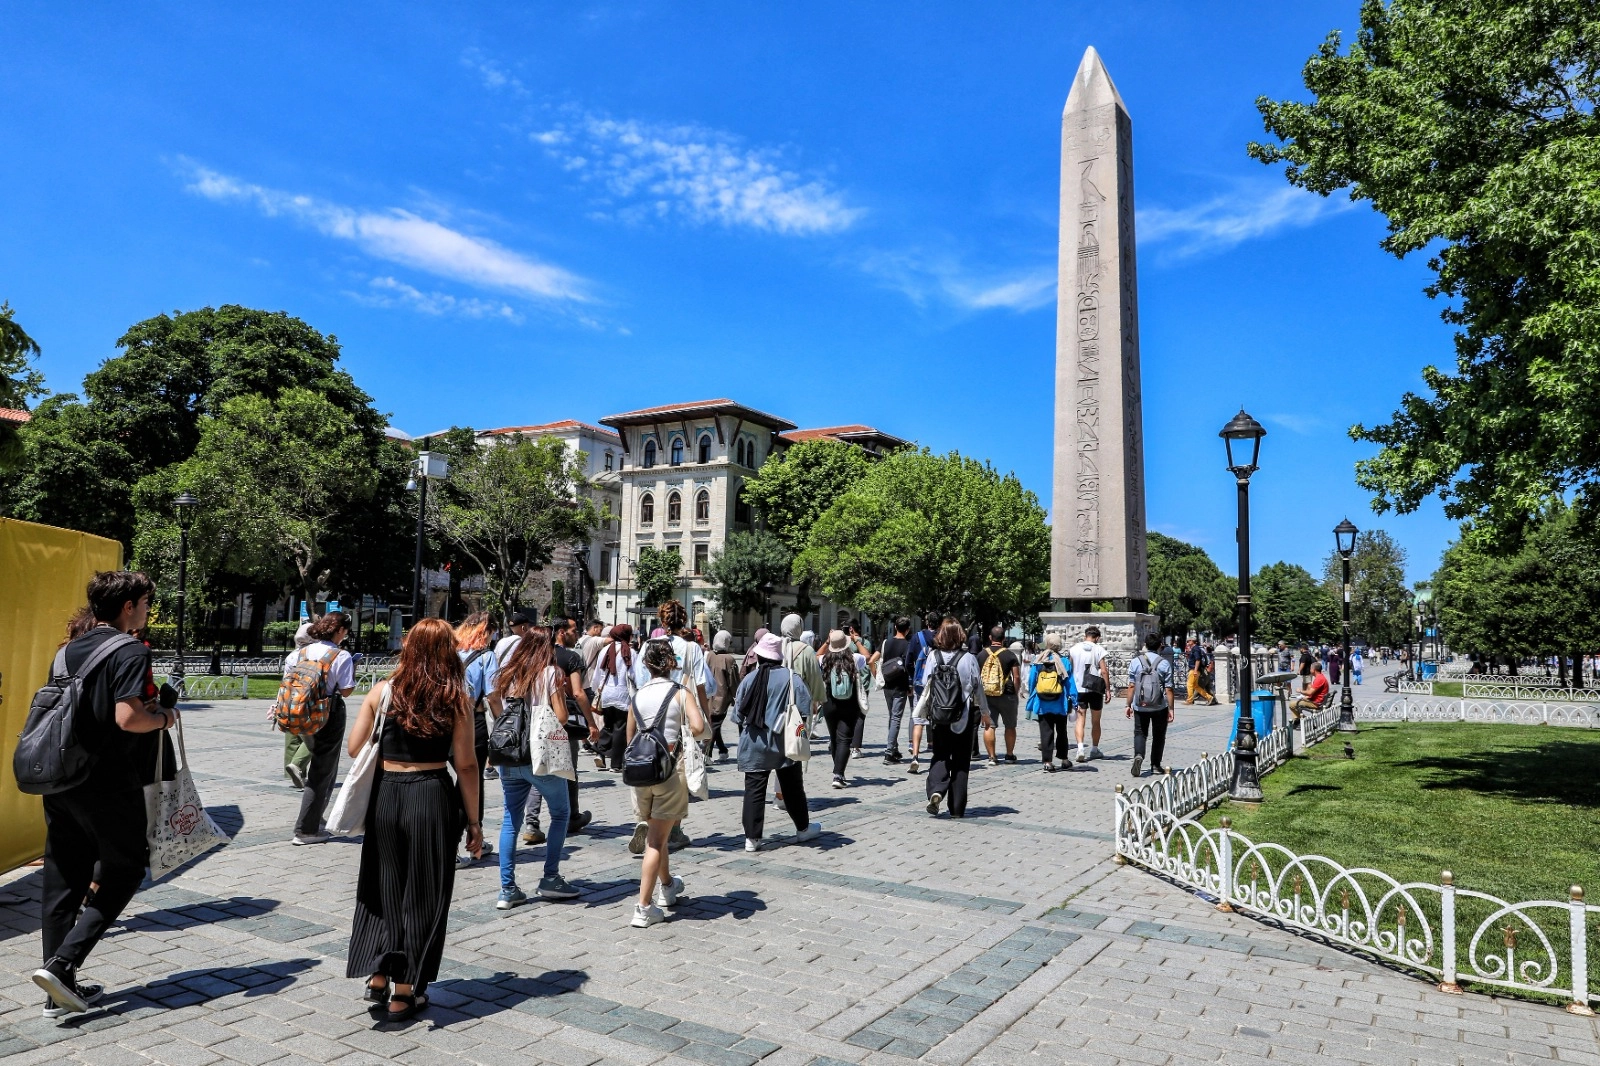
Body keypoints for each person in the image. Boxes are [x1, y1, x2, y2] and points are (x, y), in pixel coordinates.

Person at [31, 571, 176, 1018]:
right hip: (107, 780)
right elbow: (128, 718)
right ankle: (63, 964)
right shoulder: (130, 649)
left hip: (60, 776)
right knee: (126, 868)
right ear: (129, 605)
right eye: (147, 602)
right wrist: (166, 717)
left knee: (63, 879)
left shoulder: (69, 649)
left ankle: (58, 990)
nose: (149, 610)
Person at [346, 618, 481, 1023]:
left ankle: (378, 971)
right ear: (448, 652)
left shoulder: (382, 692)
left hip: (387, 794)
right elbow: (468, 765)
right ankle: (405, 991)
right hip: (431, 794)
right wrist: (474, 822)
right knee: (423, 891)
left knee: (382, 882)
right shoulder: (455, 697)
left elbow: (355, 748)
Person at [486, 626, 577, 906]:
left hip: (511, 755)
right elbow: (560, 716)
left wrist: (508, 723)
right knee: (561, 814)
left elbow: (491, 699)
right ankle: (550, 877)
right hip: (541, 758)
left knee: (510, 820)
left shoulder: (508, 673)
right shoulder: (550, 673)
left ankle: (507, 889)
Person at [626, 640, 707, 928]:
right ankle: (643, 907)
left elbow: (629, 738)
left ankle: (668, 886)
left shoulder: (637, 695)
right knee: (657, 841)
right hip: (670, 771)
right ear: (671, 663)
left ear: (646, 665)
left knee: (655, 835)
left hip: (640, 773)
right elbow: (698, 728)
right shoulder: (680, 693)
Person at [732, 632, 822, 851]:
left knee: (754, 791)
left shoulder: (749, 679)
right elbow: (804, 710)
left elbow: (737, 715)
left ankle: (752, 839)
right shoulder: (792, 678)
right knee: (792, 788)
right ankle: (803, 829)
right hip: (784, 744)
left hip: (753, 744)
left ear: (760, 657)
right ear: (779, 657)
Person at [525, 618, 599, 843]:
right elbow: (578, 693)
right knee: (568, 770)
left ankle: (531, 822)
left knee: (539, 769)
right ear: (560, 633)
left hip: (533, 724)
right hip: (559, 723)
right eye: (573, 631)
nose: (576, 634)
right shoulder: (570, 658)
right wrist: (591, 723)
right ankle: (571, 816)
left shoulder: (529, 660)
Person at [911, 618, 990, 817]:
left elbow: (926, 684)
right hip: (963, 716)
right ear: (961, 635)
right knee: (961, 762)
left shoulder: (933, 656)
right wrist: (985, 714)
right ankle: (956, 809)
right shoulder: (969, 658)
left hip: (938, 717)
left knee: (940, 755)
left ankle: (937, 789)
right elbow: (978, 687)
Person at [292, 612, 355, 846]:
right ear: (339, 630)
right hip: (328, 712)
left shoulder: (303, 652)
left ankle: (315, 819)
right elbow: (346, 690)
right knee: (322, 770)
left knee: (321, 767)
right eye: (345, 631)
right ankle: (306, 830)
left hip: (301, 711)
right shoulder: (341, 655)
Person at [454, 613, 497, 869]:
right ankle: (471, 839)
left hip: (445, 722)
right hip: (473, 721)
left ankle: (473, 839)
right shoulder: (486, 656)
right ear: (487, 632)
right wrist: (503, 722)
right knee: (471, 782)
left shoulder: (451, 651)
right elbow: (492, 696)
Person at [1126, 633, 1175, 778]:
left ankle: (1139, 755)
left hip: (1140, 704)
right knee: (1159, 735)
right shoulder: (1164, 663)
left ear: (1145, 645)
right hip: (1159, 705)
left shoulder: (1135, 662)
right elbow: (1169, 688)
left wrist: (1128, 704)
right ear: (1160, 645)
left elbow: (1131, 685)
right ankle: (1155, 765)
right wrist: (1171, 708)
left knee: (1140, 732)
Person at [589, 623, 635, 774]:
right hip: (622, 694)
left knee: (608, 726)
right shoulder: (630, 652)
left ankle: (599, 751)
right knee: (620, 728)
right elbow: (634, 674)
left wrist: (597, 688)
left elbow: (597, 673)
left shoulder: (604, 651)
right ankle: (616, 764)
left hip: (607, 693)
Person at [819, 631, 862, 789]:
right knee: (844, 738)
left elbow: (817, 654)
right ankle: (838, 774)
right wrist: (856, 641)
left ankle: (838, 770)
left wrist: (826, 642)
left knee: (834, 738)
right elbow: (869, 656)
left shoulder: (824, 659)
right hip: (849, 703)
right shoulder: (855, 659)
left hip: (829, 703)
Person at [1029, 632, 1074, 771]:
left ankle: (1047, 762)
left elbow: (1032, 681)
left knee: (1046, 732)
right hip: (1060, 703)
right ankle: (1064, 759)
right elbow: (1070, 683)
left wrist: (1032, 694)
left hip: (1042, 702)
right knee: (1062, 731)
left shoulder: (1038, 660)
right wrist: (1075, 699)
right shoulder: (1064, 661)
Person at [280, 622, 317, 788]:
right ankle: (297, 765)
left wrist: (278, 703)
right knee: (313, 739)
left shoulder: (292, 656)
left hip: (289, 698)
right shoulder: (316, 654)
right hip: (308, 700)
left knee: (292, 737)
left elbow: (285, 679)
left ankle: (294, 775)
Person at [1067, 625, 1111, 763]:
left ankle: (1080, 748)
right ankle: (1094, 749)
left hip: (1079, 688)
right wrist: (1108, 689)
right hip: (1095, 689)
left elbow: (1069, 668)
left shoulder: (1074, 649)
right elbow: (1104, 671)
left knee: (1080, 719)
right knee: (1096, 720)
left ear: (1085, 636)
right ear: (1097, 637)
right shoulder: (1099, 649)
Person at [978, 626, 1021, 765]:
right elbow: (1017, 677)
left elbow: (977, 677)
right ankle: (1009, 755)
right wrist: (1015, 692)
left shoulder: (982, 655)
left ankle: (992, 757)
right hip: (1007, 693)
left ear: (990, 638)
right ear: (1004, 639)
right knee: (1010, 726)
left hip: (987, 695)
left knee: (989, 726)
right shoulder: (1010, 655)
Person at [905, 611, 941, 774]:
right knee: (939, 718)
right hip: (940, 684)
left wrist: (912, 679)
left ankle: (915, 755)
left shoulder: (916, 637)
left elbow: (908, 661)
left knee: (918, 718)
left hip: (921, 684)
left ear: (927, 622)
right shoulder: (943, 638)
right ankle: (938, 752)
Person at [879, 617, 914, 765]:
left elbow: (876, 659)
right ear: (907, 630)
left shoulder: (886, 643)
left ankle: (894, 748)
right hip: (900, 685)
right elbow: (908, 667)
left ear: (895, 627)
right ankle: (889, 752)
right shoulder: (907, 645)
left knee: (892, 716)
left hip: (887, 684)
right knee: (896, 718)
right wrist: (909, 686)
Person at [705, 630, 741, 760]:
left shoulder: (709, 655)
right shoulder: (729, 659)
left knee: (715, 724)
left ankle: (722, 750)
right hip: (721, 698)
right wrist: (737, 695)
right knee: (715, 725)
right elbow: (733, 681)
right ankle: (706, 753)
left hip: (708, 696)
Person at [1184, 638, 1216, 706]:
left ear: (1192, 641)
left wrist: (1195, 670)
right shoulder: (1196, 648)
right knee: (1196, 686)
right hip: (1196, 670)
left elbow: (1197, 659)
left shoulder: (1195, 649)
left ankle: (1189, 700)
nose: (1187, 642)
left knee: (1189, 685)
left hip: (1194, 670)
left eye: (1188, 641)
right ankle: (1209, 697)